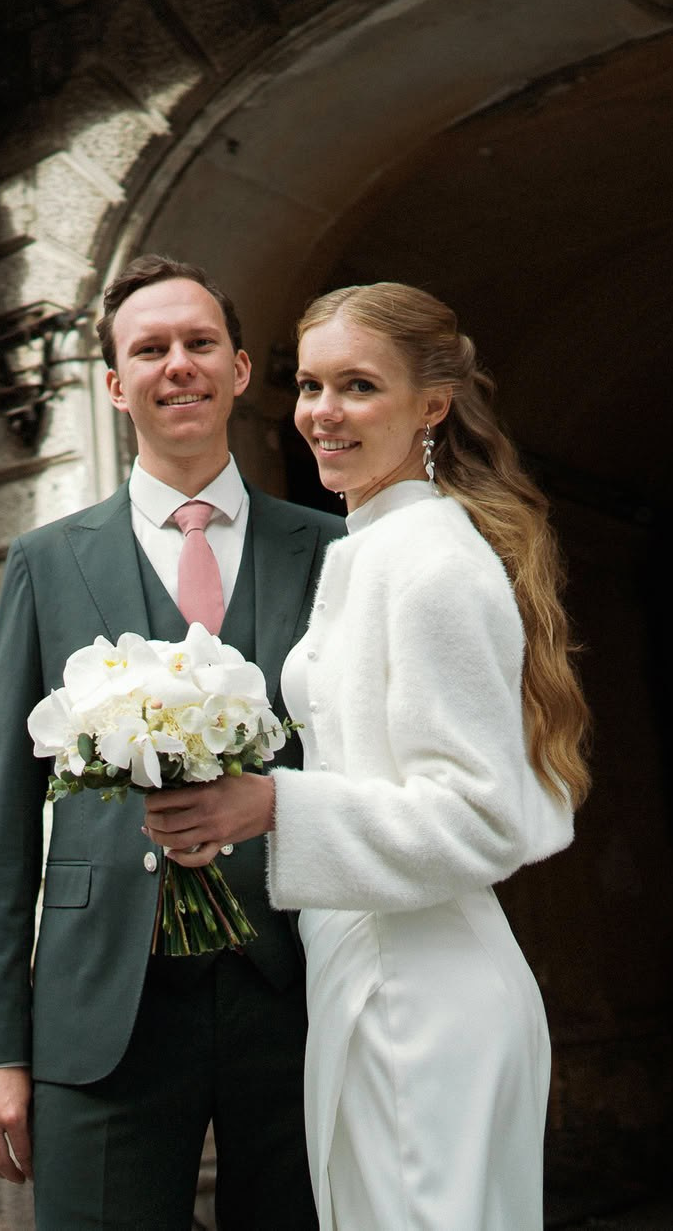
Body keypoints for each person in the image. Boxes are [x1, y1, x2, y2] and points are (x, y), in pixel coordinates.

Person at [143, 281, 592, 1229]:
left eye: (358, 386)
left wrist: (271, 807)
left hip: (421, 996)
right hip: (375, 971)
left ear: (431, 404)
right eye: (310, 385)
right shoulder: (372, 547)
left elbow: (477, 816)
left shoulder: (428, 561)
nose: (322, 414)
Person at [0, 256, 346, 1230]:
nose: (177, 365)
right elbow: (2, 822)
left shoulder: (335, 552)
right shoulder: (46, 564)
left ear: (242, 368)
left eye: (198, 343)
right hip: (103, 1003)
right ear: (113, 383)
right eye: (149, 348)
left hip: (299, 989)